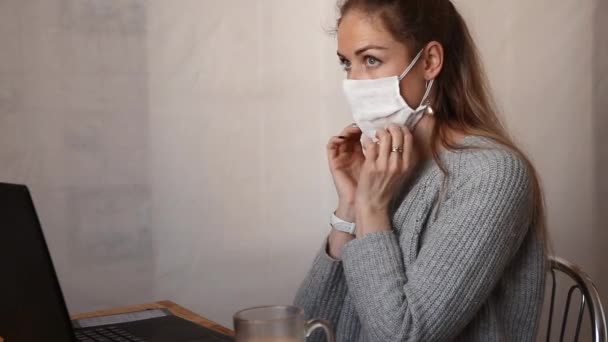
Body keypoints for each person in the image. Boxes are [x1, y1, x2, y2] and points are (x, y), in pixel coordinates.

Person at [294, 0, 547, 341]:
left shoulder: (493, 176)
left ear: (429, 61)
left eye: (371, 59)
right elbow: (306, 330)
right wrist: (351, 206)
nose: (354, 81)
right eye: (346, 63)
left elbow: (403, 335)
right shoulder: (387, 169)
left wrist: (372, 209)